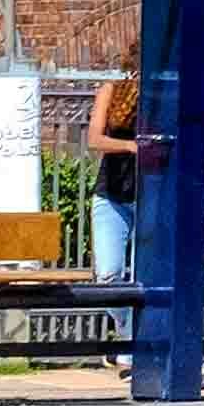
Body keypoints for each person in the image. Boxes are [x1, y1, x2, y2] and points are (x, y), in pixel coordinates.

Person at [84, 70, 143, 285]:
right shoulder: (111, 90)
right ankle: (127, 320)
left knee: (147, 276)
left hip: (151, 198)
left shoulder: (164, 95)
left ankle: (130, 320)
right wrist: (129, 146)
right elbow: (94, 139)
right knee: (107, 276)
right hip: (112, 194)